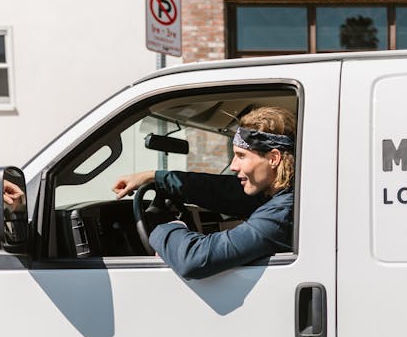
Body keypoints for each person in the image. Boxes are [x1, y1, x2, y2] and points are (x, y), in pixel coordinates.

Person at [111, 106, 296, 279]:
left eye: (241, 156)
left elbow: (195, 259)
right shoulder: (279, 195)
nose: (233, 166)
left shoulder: (282, 213)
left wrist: (164, 228)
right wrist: (154, 177)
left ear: (273, 158)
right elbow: (220, 190)